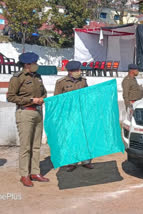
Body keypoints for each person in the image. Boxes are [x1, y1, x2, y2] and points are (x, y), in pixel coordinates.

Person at [7, 52, 49, 187]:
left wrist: (43, 98)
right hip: (25, 113)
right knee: (25, 146)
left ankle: (35, 172)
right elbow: (11, 97)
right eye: (34, 63)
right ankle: (24, 174)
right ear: (27, 65)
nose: (36, 65)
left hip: (38, 113)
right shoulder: (17, 78)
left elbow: (44, 92)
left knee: (36, 146)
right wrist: (31, 100)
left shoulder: (38, 76)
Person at [54, 61, 94, 172]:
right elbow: (57, 100)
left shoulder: (83, 81)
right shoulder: (61, 82)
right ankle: (72, 162)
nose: (80, 72)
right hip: (69, 115)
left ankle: (86, 161)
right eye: (78, 70)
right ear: (71, 71)